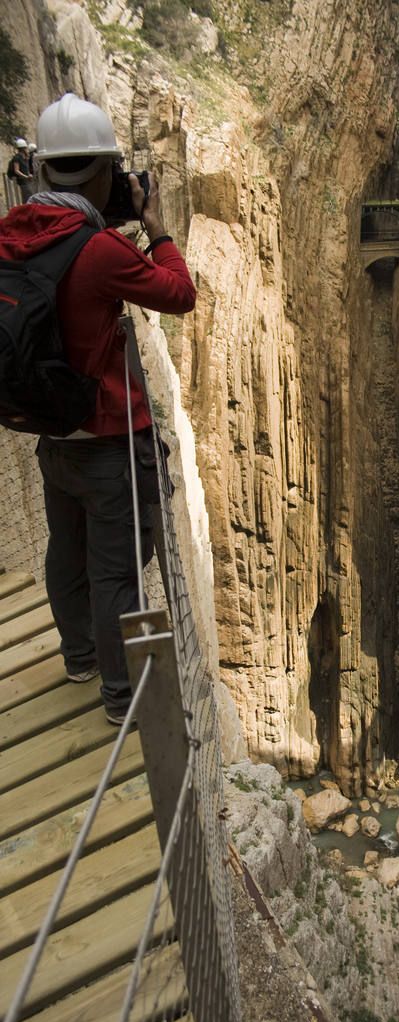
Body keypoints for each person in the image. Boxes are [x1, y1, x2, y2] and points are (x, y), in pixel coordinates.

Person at [0, 93, 196, 724]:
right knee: (117, 572)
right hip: (108, 434)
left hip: (51, 431)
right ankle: (121, 699)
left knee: (66, 548)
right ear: (103, 171)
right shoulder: (101, 251)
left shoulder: (15, 235)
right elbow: (178, 292)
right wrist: (156, 225)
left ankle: (80, 657)